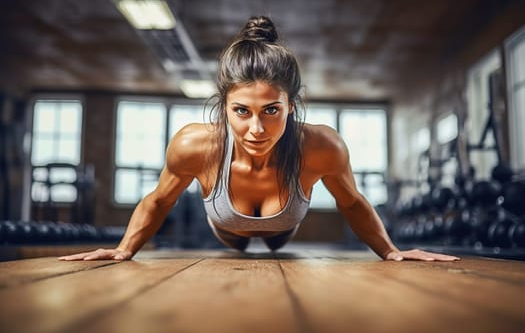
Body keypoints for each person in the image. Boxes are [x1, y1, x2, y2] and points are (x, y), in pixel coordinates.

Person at [60, 16, 459, 262]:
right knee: (235, 242)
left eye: (271, 110)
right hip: (227, 231)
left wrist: (392, 252)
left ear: (291, 105)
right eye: (241, 111)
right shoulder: (194, 146)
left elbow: (351, 202)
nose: (256, 129)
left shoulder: (322, 146)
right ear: (223, 106)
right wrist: (124, 248)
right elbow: (160, 199)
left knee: (276, 240)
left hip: (284, 230)